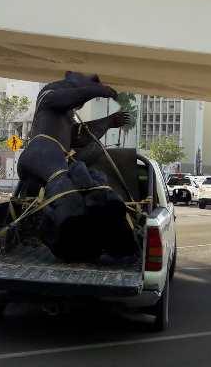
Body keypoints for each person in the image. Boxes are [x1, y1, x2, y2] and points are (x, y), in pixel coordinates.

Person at [16, 71, 133, 261]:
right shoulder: (48, 96)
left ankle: (31, 233)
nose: (80, 103)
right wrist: (96, 90)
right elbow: (66, 98)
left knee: (83, 183)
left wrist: (108, 122)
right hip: (41, 154)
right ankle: (72, 240)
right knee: (67, 192)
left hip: (48, 162)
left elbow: (81, 136)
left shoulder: (65, 117)